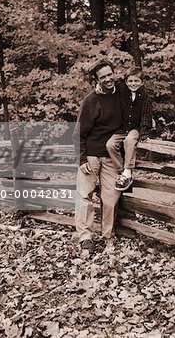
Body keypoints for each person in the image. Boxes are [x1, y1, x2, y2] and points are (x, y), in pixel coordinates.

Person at [72, 60, 123, 252]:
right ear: (97, 80)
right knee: (85, 196)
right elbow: (78, 133)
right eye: (103, 77)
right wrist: (82, 159)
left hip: (110, 156)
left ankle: (107, 235)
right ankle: (85, 237)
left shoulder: (122, 96)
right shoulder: (90, 101)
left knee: (110, 197)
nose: (108, 79)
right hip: (91, 155)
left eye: (110, 74)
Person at [106, 67, 153, 191]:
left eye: (136, 81)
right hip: (123, 128)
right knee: (110, 144)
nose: (133, 84)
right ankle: (122, 172)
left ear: (142, 82)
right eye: (130, 81)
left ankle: (128, 171)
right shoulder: (122, 91)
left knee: (129, 141)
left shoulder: (145, 96)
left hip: (135, 128)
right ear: (126, 82)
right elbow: (112, 83)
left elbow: (146, 115)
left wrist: (144, 132)